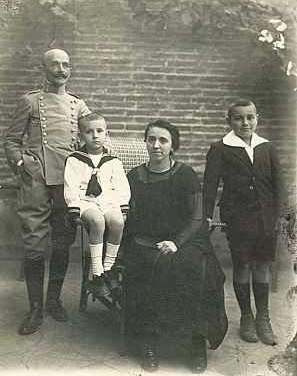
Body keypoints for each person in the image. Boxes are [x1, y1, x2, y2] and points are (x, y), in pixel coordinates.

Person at [123, 119, 228, 373]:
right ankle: (150, 342)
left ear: (172, 146)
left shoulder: (185, 175)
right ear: (145, 142)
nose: (156, 145)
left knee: (197, 268)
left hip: (186, 240)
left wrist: (176, 242)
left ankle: (196, 342)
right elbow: (127, 214)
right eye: (151, 139)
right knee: (147, 267)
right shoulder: (133, 176)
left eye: (163, 140)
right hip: (146, 241)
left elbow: (196, 218)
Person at [3, 48, 91, 335]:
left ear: (71, 70)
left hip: (67, 182)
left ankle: (53, 300)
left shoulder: (79, 106)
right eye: (55, 65)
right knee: (34, 243)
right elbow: (12, 140)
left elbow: (96, 135)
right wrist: (21, 164)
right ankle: (35, 308)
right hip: (37, 179)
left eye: (66, 65)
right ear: (43, 69)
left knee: (63, 241)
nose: (61, 70)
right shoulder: (30, 101)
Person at [203, 99, 283, 346]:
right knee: (242, 265)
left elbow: (279, 184)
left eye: (250, 117)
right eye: (239, 118)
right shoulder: (221, 148)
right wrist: (206, 215)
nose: (245, 122)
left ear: (257, 118)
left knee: (262, 266)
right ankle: (247, 317)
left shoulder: (267, 148)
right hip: (237, 217)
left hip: (266, 217)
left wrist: (280, 214)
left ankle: (264, 318)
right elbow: (210, 184)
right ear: (229, 122)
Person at [64, 113, 130, 297]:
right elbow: (71, 185)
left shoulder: (113, 161)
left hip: (107, 200)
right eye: (89, 132)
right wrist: (74, 207)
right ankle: (97, 272)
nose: (95, 135)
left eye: (100, 131)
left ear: (106, 134)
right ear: (80, 136)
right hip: (86, 201)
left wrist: (123, 206)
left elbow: (121, 186)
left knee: (117, 222)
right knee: (97, 221)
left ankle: (108, 268)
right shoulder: (75, 159)